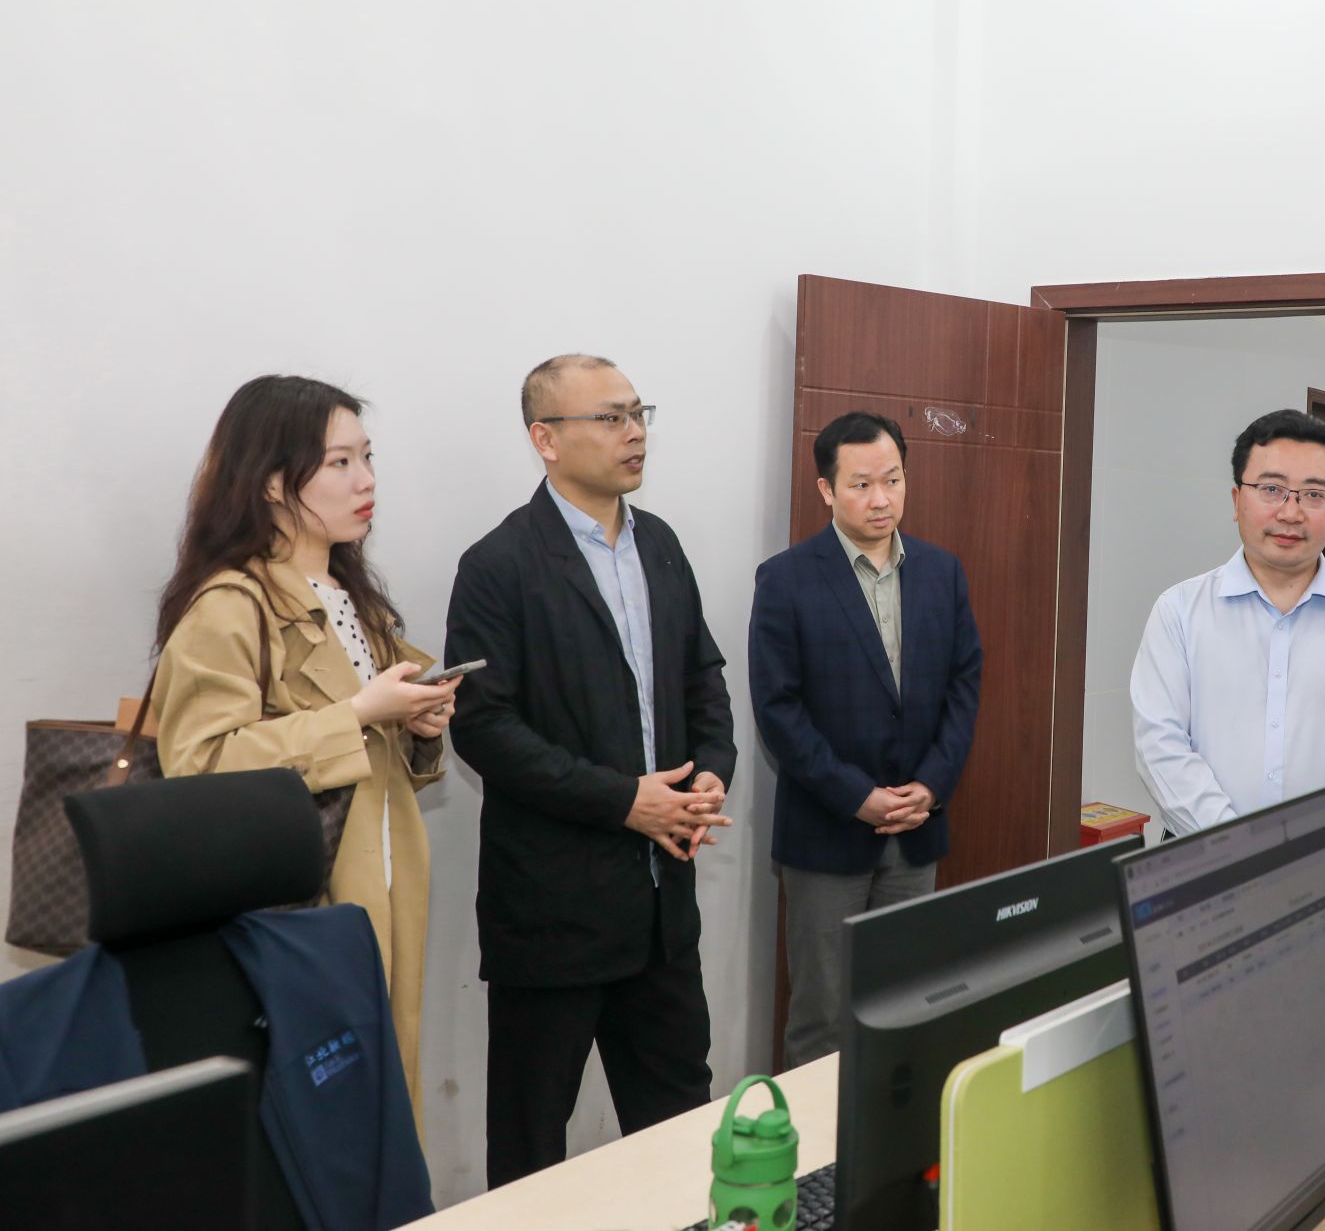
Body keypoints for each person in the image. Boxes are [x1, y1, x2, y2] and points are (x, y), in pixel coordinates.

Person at [446, 354, 735, 1187]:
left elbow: (703, 678)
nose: (634, 432)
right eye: (610, 417)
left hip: (662, 914)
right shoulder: (499, 563)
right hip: (553, 918)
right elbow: (484, 727)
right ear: (545, 438)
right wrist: (624, 802)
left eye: (638, 413)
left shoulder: (661, 545)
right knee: (532, 1150)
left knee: (681, 1131)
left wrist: (710, 774)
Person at [153, 374, 456, 1129]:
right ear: (271, 482)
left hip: (385, 879)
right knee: (320, 1109)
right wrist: (357, 714)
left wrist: (419, 725)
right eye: (340, 463)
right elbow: (199, 762)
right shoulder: (232, 602)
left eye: (367, 457)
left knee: (381, 1092)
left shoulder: (354, 598)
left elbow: (378, 759)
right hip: (297, 904)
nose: (367, 480)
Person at [749, 410, 983, 1068]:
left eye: (893, 479)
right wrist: (857, 796)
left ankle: (894, 1134)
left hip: (916, 830)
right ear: (826, 489)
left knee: (908, 1004)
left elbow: (964, 685)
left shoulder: (941, 571)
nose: (881, 498)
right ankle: (816, 1138)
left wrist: (932, 785)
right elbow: (778, 711)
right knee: (822, 1017)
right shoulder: (786, 578)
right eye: (861, 484)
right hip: (826, 833)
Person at [1131, 408, 1325, 835]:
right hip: (1202, 855)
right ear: (1236, 501)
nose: (1291, 513)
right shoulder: (1179, 612)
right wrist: (1239, 847)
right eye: (1272, 489)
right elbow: (1160, 748)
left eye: (1314, 494)